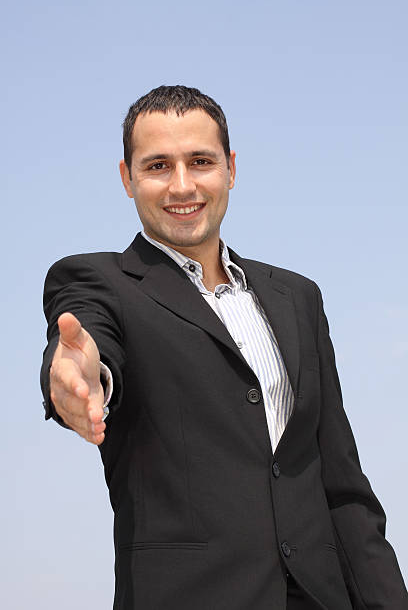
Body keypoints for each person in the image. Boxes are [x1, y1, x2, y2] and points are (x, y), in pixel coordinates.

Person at [41, 85, 407, 610]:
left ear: (231, 169)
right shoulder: (99, 281)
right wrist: (82, 378)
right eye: (158, 166)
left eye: (201, 161)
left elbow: (342, 485)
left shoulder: (297, 297)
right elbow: (86, 342)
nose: (182, 185)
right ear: (127, 178)